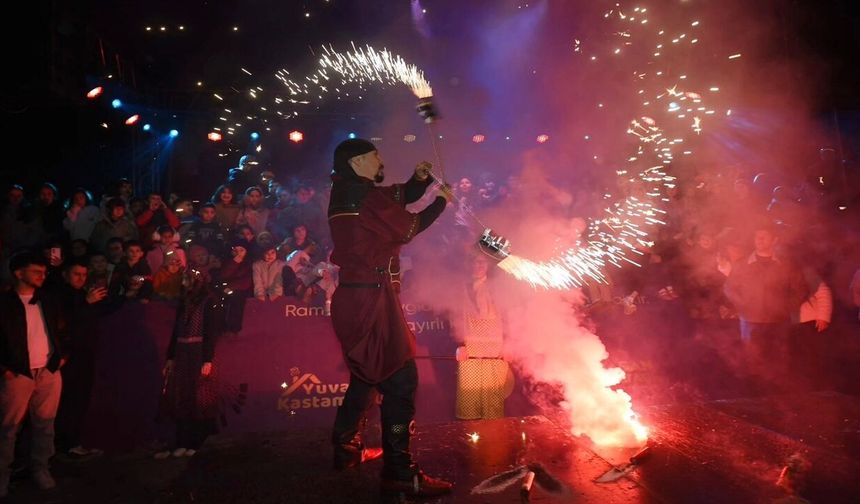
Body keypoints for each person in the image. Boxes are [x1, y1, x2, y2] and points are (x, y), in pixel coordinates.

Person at [326, 138, 453, 498]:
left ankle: (345, 447)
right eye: (375, 155)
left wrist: (420, 180)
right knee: (400, 379)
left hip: (357, 295)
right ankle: (400, 472)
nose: (382, 159)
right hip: (370, 298)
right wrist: (442, 201)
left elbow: (394, 197)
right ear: (357, 161)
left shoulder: (350, 191)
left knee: (368, 372)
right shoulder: (363, 196)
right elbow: (410, 226)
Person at [0, 253, 69, 497]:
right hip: (18, 372)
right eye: (36, 271)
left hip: (48, 370)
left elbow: (62, 327)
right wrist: (5, 368)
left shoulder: (47, 300)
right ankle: (3, 476)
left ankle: (41, 468)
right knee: (8, 427)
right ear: (18, 273)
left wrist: (61, 356)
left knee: (45, 425)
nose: (42, 276)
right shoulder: (5, 303)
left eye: (44, 272)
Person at [155, 269, 219, 459]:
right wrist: (170, 356)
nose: (184, 283)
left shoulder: (209, 301)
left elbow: (211, 332)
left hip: (198, 352)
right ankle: (182, 441)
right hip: (183, 352)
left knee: (197, 397)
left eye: (187, 279)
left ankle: (196, 441)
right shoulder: (184, 301)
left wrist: (207, 359)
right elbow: (176, 331)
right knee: (181, 396)